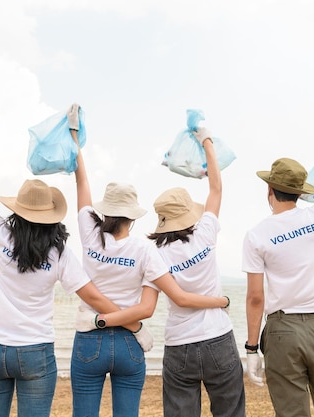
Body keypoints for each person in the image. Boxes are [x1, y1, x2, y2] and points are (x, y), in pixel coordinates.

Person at [0, 141, 131, 417]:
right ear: (51, 216)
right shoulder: (59, 254)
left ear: (18, 211)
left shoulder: (0, 235)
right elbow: (94, 297)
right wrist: (133, 323)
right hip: (35, 352)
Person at [67, 104, 229, 417]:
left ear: (105, 211)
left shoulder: (90, 232)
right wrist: (137, 328)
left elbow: (81, 182)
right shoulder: (146, 251)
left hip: (89, 339)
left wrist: (75, 136)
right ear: (133, 216)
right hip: (130, 341)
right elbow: (148, 309)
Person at [242, 134, 314, 417]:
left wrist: (252, 349)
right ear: (300, 193)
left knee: (291, 413)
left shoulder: (256, 236)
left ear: (269, 189)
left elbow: (255, 297)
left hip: (282, 332)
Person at [146, 126, 246, 417]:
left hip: (180, 344)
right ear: (189, 213)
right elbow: (216, 187)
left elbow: (178, 299)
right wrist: (206, 142)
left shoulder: (155, 254)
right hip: (218, 337)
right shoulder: (205, 233)